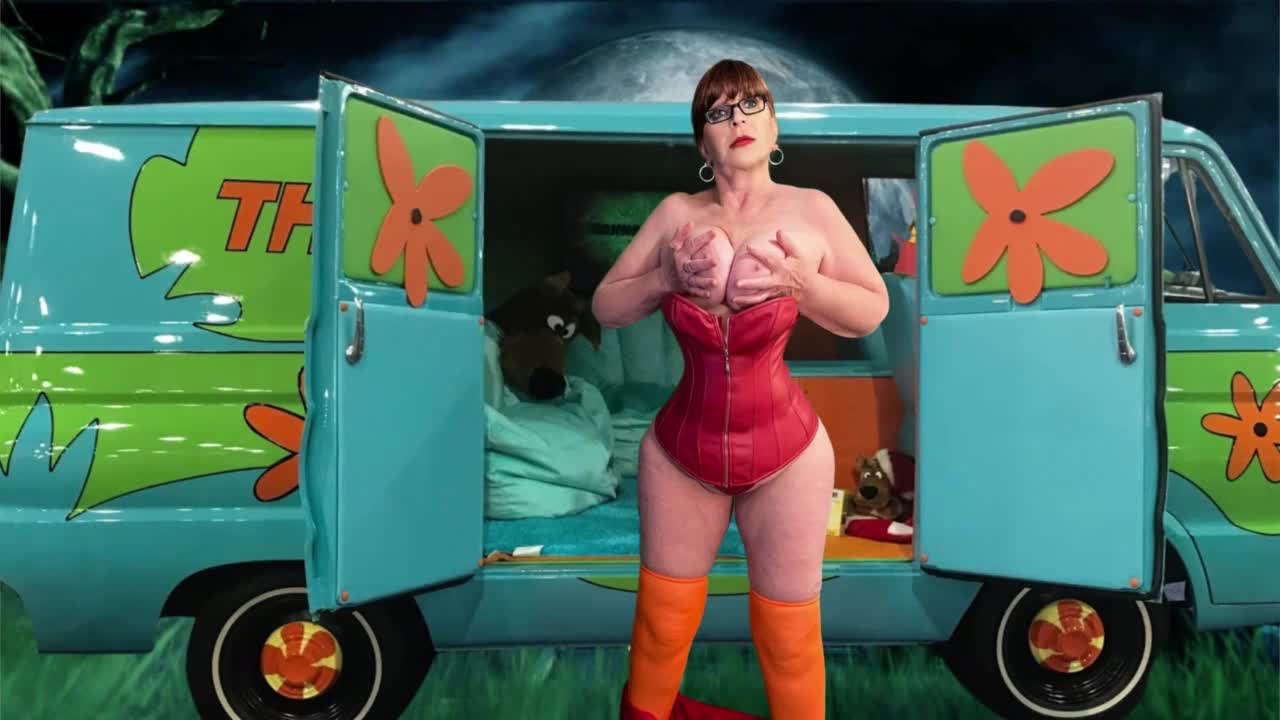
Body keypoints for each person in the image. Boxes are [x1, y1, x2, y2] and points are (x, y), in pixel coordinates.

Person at [591, 58, 889, 720]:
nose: (739, 119)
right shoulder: (675, 214)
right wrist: (665, 279)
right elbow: (606, 307)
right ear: (704, 144)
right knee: (661, 628)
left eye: (753, 104)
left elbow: (872, 310)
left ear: (774, 127)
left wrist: (803, 286)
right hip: (681, 454)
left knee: (789, 639)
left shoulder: (813, 209)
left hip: (788, 456)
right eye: (720, 112)